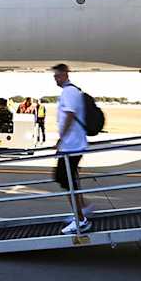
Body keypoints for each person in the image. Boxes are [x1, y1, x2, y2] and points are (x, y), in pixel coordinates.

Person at [52, 64, 91, 234]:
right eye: (55, 76)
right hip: (74, 144)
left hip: (71, 145)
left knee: (64, 179)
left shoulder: (69, 92)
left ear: (66, 75)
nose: (56, 79)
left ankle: (81, 219)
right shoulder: (72, 91)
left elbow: (69, 115)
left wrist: (61, 140)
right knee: (70, 179)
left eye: (58, 76)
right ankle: (82, 210)